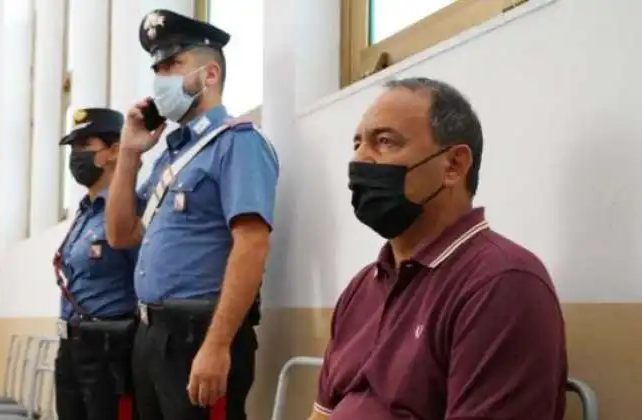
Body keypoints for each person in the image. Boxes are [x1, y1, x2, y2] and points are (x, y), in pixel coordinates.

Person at [309, 78, 568, 419]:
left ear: (454, 165)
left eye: (384, 142)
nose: (360, 159)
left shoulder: (501, 284)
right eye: (357, 144)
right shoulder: (361, 289)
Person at [105, 9, 279, 420]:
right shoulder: (171, 156)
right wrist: (129, 153)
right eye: (158, 68)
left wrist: (218, 345)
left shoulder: (238, 143)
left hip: (198, 335)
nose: (161, 78)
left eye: (174, 65)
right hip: (151, 334)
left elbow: (252, 243)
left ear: (210, 75)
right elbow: (121, 234)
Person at [54, 107, 139, 420]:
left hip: (109, 350)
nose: (76, 156)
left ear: (115, 151)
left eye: (85, 147)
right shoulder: (85, 211)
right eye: (73, 148)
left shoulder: (128, 209)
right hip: (71, 346)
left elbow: (142, 278)